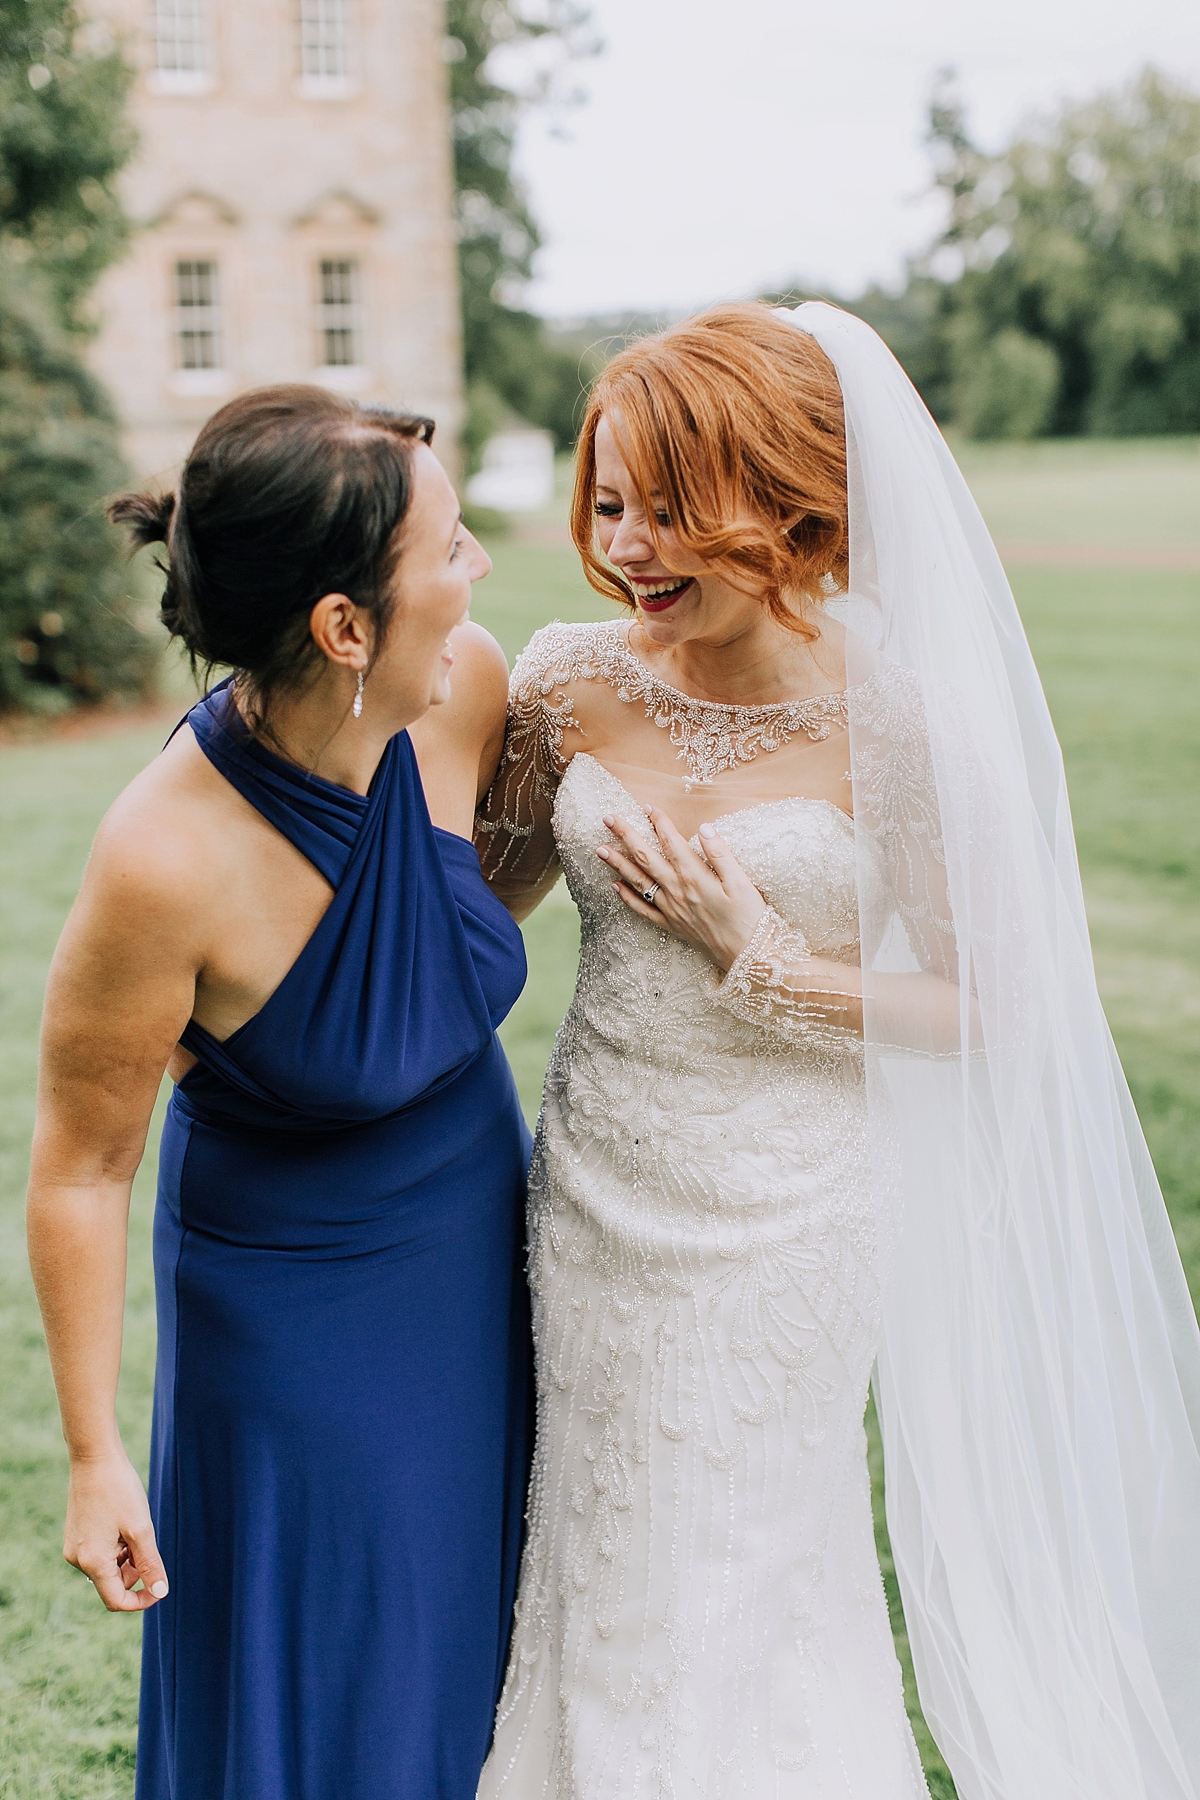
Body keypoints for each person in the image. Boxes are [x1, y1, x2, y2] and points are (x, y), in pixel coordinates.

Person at [474, 303, 1200, 1799]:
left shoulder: (902, 725)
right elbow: (465, 921)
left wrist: (775, 966)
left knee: (744, 1557)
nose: (631, 545)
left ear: (792, 503)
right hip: (599, 1193)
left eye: (672, 507)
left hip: (796, 1214)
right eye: (611, 503)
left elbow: (997, 1007)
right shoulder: (563, 682)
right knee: (601, 1544)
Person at [26, 386, 533, 1800]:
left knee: (488, 1660)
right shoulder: (163, 860)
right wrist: (91, 1456)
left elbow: (446, 933)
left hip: (480, 1267)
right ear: (344, 626)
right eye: (447, 545)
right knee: (343, 1692)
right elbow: (77, 1167)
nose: (478, 564)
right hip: (299, 1317)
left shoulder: (467, 687)